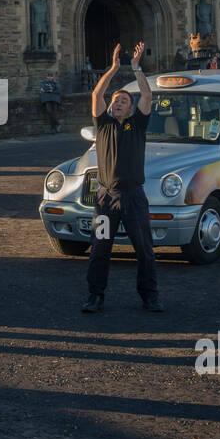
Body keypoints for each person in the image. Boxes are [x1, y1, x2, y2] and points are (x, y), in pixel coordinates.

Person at [84, 42, 161, 314]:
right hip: (105, 199)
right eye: (116, 100)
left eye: (123, 100)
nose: (118, 102)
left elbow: (147, 96)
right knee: (100, 249)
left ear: (130, 109)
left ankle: (150, 296)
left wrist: (136, 69)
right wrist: (114, 68)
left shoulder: (137, 124)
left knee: (144, 250)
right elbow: (97, 94)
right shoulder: (102, 124)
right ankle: (95, 296)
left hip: (134, 198)